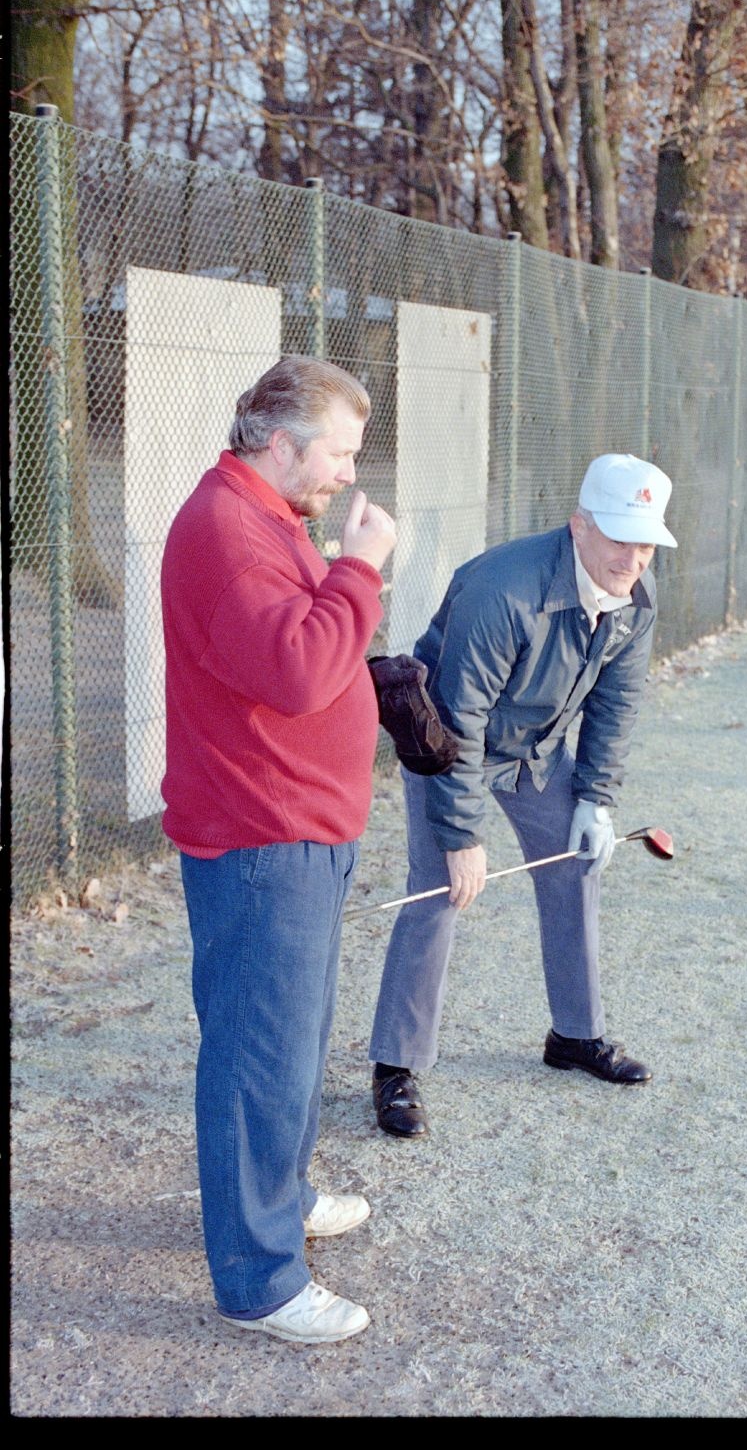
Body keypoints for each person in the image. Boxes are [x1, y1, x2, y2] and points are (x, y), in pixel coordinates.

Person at [161, 355, 396, 1345]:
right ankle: (259, 1278)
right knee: (262, 1054)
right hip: (263, 835)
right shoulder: (225, 529)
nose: (347, 473)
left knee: (291, 1042)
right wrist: (360, 570)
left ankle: (281, 1195)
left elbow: (303, 650)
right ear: (283, 443)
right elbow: (299, 671)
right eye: (337, 453)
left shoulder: (264, 518)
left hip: (297, 827)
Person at [368, 453, 678, 1138]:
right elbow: (459, 718)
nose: (633, 557)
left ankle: (574, 1034)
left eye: (646, 540)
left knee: (575, 862)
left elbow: (614, 708)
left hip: (534, 750)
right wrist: (461, 837)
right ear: (578, 526)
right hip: (448, 744)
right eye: (620, 537)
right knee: (438, 890)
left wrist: (595, 801)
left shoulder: (636, 600)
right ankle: (396, 1065)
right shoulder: (502, 590)